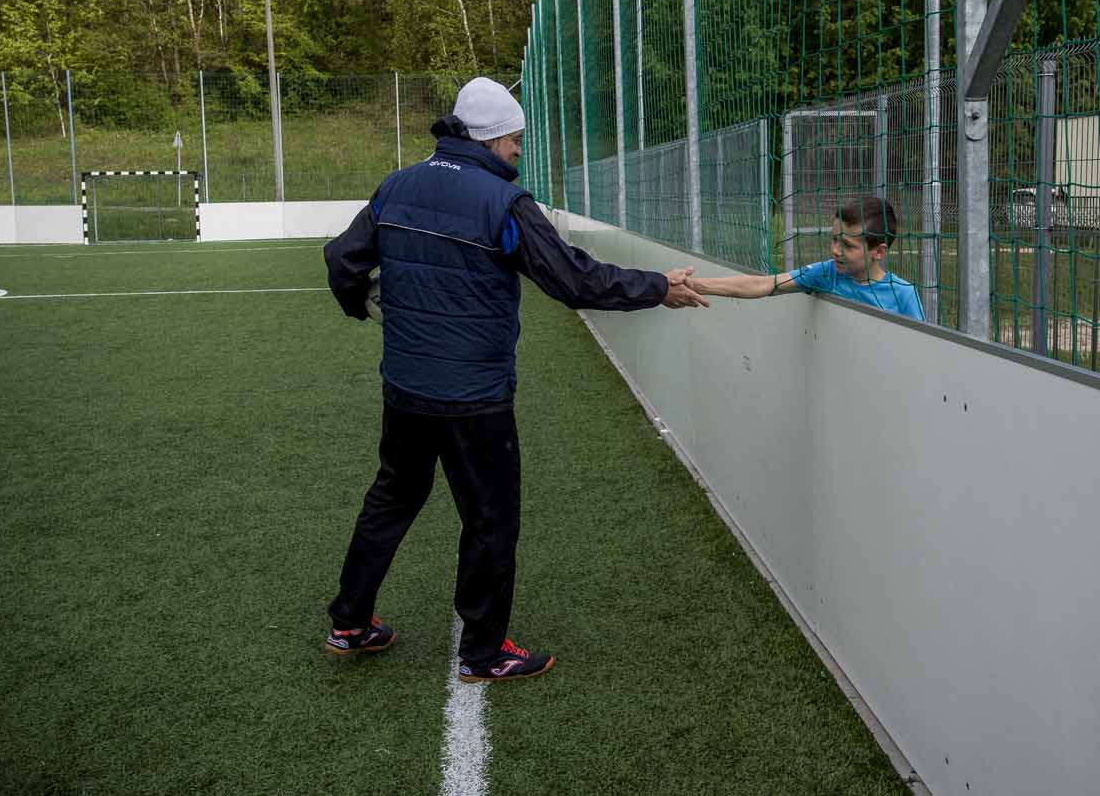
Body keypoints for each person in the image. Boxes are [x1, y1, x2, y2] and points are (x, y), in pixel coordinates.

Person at [321, 76, 707, 682]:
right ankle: (482, 652)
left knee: (391, 498)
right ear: (495, 138)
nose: (520, 151)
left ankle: (348, 622)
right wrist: (660, 288)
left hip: (406, 388)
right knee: (490, 518)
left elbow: (342, 260)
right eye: (518, 141)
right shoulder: (505, 204)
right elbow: (575, 280)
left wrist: (363, 302)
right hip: (474, 398)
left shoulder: (396, 186)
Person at [690, 195, 925, 322]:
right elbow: (764, 284)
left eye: (848, 246)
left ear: (879, 252)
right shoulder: (826, 274)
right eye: (834, 239)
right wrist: (696, 285)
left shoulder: (903, 294)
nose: (835, 250)